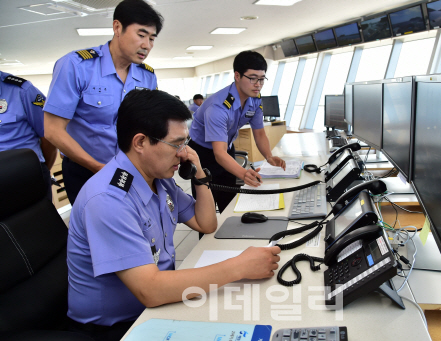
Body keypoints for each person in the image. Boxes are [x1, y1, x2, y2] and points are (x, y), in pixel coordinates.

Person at [66, 89, 281, 341]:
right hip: (120, 327)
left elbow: (206, 223)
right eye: (176, 144)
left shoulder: (158, 179)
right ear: (140, 142)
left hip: (156, 306)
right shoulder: (108, 200)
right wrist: (239, 267)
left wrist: (199, 173)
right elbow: (151, 291)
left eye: (185, 143)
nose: (183, 153)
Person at [43, 0, 163, 205]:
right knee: (97, 233)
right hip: (86, 170)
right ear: (117, 27)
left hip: (132, 169)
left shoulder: (147, 76)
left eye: (152, 38)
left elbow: (149, 125)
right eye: (141, 35)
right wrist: (97, 167)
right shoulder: (76, 66)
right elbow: (53, 130)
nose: (147, 45)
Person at [188, 51, 286, 213]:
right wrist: (244, 173)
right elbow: (218, 153)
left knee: (230, 202)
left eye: (262, 79)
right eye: (253, 78)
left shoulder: (254, 99)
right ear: (237, 76)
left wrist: (269, 156)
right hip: (202, 154)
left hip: (225, 148)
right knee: (207, 208)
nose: (258, 84)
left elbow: (259, 133)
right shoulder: (218, 107)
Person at [0, 71, 57, 201]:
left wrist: (39, 171)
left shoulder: (22, 90)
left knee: (37, 219)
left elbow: (49, 135)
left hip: (24, 175)